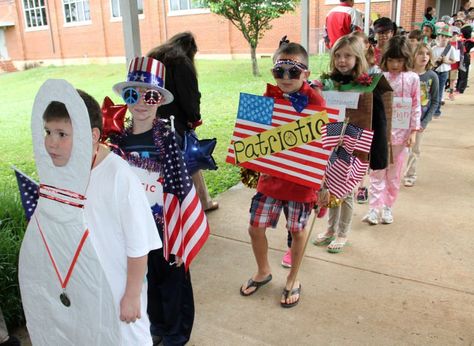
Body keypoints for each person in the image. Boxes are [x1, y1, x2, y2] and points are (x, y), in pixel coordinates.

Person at [43, 89, 161, 344]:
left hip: (118, 290)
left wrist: (131, 295)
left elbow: (139, 245)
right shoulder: (61, 172)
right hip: (84, 289)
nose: (51, 142)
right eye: (48, 132)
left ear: (92, 136)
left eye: (62, 134)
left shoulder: (119, 176)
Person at [111, 56, 195, 346]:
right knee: (145, 281)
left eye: (150, 95)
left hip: (165, 227)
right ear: (126, 97)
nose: (141, 103)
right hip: (134, 229)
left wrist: (181, 236)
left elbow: (181, 188)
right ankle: (156, 326)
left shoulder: (169, 139)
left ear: (159, 99)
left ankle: (174, 333)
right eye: (133, 94)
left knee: (171, 283)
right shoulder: (118, 142)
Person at [239, 40, 325, 308]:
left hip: (300, 184)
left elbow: (323, 145)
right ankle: (263, 271)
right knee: (255, 227)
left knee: (298, 232)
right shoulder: (267, 98)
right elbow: (250, 136)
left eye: (294, 71)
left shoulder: (317, 102)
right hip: (271, 180)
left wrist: (323, 183)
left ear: (306, 74)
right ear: (272, 72)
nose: (286, 77)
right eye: (280, 71)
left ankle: (293, 278)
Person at [313, 35, 388, 252]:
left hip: (352, 146)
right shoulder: (328, 82)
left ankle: (343, 233)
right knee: (329, 187)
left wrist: (376, 154)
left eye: (347, 55)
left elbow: (378, 120)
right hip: (330, 142)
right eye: (337, 55)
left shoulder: (366, 85)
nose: (342, 60)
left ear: (358, 58)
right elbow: (314, 91)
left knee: (344, 191)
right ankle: (330, 229)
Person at [147, 32, 218, 212]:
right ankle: (203, 201)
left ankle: (168, 207)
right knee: (192, 158)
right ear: (191, 49)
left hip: (148, 120)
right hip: (175, 123)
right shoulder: (182, 63)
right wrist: (194, 118)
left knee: (157, 169)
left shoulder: (153, 58)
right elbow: (190, 97)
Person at [362, 36, 421, 225]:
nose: (395, 64)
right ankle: (373, 208)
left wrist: (413, 132)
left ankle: (388, 207)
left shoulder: (413, 78)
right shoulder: (379, 77)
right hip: (380, 133)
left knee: (394, 174)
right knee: (377, 171)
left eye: (400, 60)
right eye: (391, 60)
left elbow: (416, 105)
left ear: (406, 59)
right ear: (385, 59)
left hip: (402, 135)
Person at [404, 43, 439, 187]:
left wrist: (424, 122)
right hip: (404, 118)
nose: (424, 56)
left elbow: (435, 101)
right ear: (413, 56)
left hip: (420, 121)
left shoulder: (432, 76)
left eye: (427, 53)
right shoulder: (406, 75)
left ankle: (410, 174)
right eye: (420, 53)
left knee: (415, 149)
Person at [432, 25, 456, 117]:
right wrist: (435, 61)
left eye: (446, 36)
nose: (444, 38)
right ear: (439, 36)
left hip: (444, 72)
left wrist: (446, 61)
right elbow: (430, 61)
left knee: (440, 90)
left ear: (449, 38)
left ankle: (437, 110)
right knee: (433, 90)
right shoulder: (434, 48)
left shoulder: (451, 49)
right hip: (434, 71)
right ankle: (432, 108)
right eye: (442, 36)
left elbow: (453, 60)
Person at [457, 24, 474, 93]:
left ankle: (461, 88)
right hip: (460, 56)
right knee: (460, 73)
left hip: (465, 57)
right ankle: (458, 87)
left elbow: (465, 49)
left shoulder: (470, 41)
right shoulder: (463, 40)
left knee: (464, 73)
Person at [447, 27, 463, 101]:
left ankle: (451, 93)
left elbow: (462, 54)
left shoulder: (459, 43)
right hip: (446, 64)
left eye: (455, 34)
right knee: (445, 80)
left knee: (452, 80)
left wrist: (461, 64)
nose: (453, 35)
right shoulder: (447, 42)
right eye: (452, 34)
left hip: (455, 64)